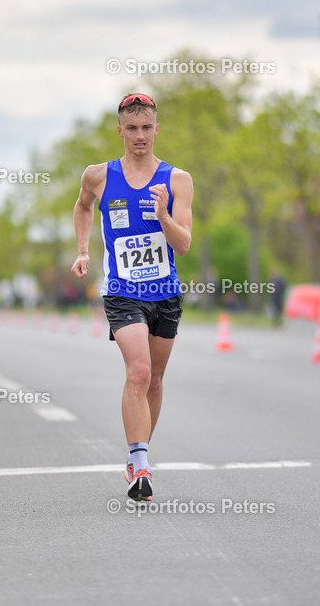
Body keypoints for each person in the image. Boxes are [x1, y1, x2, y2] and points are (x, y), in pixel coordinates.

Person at [71, 92, 193, 501]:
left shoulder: (177, 180)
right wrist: (84, 250)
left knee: (155, 379)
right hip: (122, 291)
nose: (139, 136)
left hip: (165, 291)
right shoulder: (99, 175)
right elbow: (83, 207)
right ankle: (139, 463)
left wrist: (163, 216)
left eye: (146, 128)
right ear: (119, 130)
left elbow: (185, 243)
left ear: (157, 130)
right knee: (138, 371)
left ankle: (138, 451)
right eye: (131, 128)